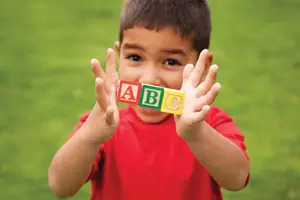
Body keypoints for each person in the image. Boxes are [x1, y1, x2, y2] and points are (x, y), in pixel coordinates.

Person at [48, 0, 250, 199]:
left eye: (171, 62)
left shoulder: (209, 122)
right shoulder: (103, 123)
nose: (149, 79)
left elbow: (237, 179)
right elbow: (60, 187)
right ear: (119, 55)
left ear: (202, 66)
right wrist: (89, 137)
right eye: (135, 58)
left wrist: (197, 134)